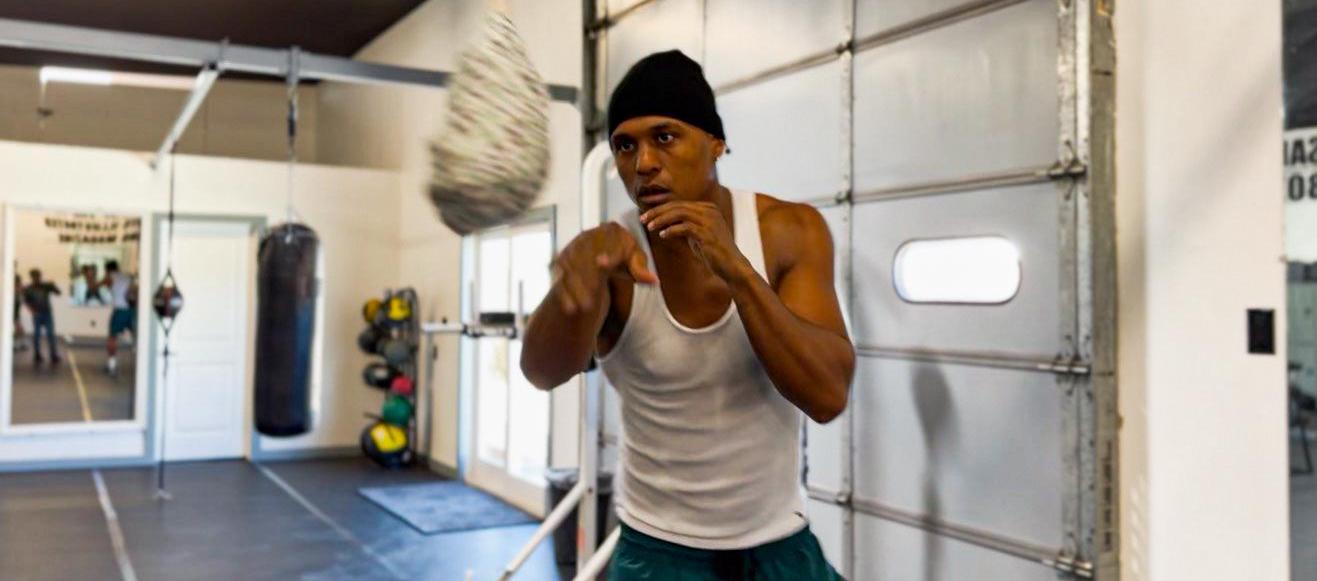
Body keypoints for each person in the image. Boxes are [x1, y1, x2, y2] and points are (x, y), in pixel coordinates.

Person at [520, 50, 855, 580]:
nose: (644, 162)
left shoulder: (789, 231)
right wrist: (569, 291)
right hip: (658, 550)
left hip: (779, 541)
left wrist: (740, 272)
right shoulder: (614, 255)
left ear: (716, 144)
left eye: (665, 136)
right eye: (625, 145)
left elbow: (828, 396)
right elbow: (541, 372)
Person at [101, 261, 135, 375]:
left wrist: (88, 275)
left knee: (112, 338)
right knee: (137, 338)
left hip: (120, 310)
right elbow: (133, 291)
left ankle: (112, 365)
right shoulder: (128, 276)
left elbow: (93, 287)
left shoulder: (110, 277)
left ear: (107, 270)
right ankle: (140, 364)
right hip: (132, 310)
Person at [22, 268, 61, 365]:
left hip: (47, 313)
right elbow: (26, 301)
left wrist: (54, 285)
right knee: (36, 335)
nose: (37, 278)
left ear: (40, 276)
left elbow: (58, 293)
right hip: (37, 314)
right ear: (31, 277)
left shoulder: (46, 286)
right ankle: (37, 355)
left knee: (50, 334)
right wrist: (32, 311)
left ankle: (53, 355)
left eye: (38, 276)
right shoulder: (29, 288)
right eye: (34, 276)